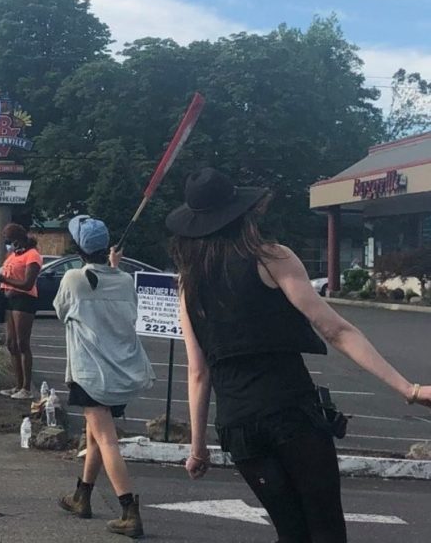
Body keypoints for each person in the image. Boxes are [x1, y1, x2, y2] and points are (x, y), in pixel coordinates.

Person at [168, 167, 431, 543]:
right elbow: (335, 328)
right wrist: (409, 388)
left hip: (238, 427)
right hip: (291, 412)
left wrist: (197, 448)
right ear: (243, 213)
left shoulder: (187, 283)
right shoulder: (271, 258)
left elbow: (198, 371)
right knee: (325, 529)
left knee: (291, 532)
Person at [53, 216, 154, 538]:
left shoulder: (73, 278)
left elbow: (61, 311)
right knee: (95, 435)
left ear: (78, 248)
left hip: (90, 372)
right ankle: (82, 496)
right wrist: (114, 267)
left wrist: (104, 269)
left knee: (106, 439)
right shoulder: (124, 280)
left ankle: (128, 510)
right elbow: (124, 306)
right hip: (119, 369)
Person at [0, 223, 43, 400]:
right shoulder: (14, 254)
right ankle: (18, 384)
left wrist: (4, 278)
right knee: (11, 343)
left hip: (24, 300)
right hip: (9, 298)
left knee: (22, 343)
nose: (10, 244)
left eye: (10, 240)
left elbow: (28, 283)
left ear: (18, 239)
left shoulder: (33, 255)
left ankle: (27, 387)